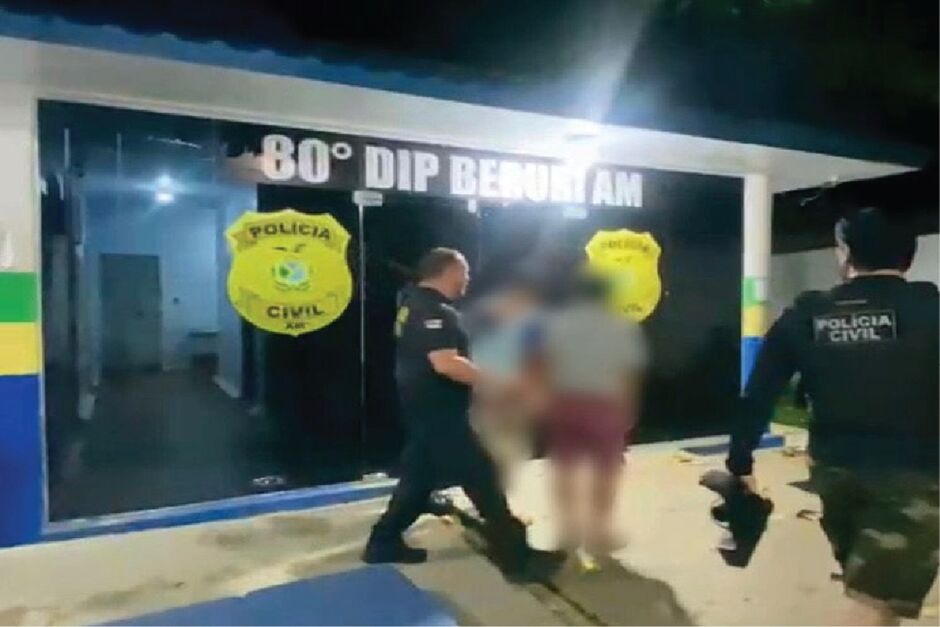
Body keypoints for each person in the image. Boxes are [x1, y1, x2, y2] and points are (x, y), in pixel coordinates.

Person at [727, 207, 938, 624]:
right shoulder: (932, 310)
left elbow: (757, 394)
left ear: (845, 253)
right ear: (908, 257)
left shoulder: (806, 314)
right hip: (913, 477)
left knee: (872, 591)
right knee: (871, 601)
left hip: (834, 474)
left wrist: (740, 462)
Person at [363, 248, 534, 574]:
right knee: (482, 475)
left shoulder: (412, 302)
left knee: (419, 480)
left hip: (426, 409)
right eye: (464, 272)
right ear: (448, 271)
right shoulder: (432, 310)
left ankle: (382, 540)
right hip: (439, 412)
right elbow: (445, 363)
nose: (467, 279)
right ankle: (517, 555)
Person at [532, 271, 647, 570]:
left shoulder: (556, 326)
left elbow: (541, 365)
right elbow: (626, 372)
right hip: (603, 405)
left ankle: (567, 529)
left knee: (565, 467)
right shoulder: (620, 327)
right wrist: (628, 408)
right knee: (606, 470)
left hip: (564, 403)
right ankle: (598, 531)